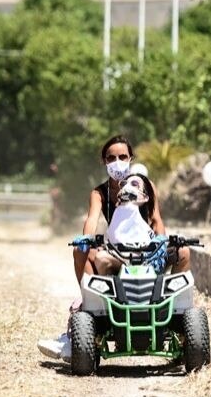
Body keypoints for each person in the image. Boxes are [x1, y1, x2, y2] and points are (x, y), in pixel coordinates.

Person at [37, 135, 190, 362]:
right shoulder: (99, 193)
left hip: (147, 252)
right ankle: (90, 306)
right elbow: (91, 219)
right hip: (119, 252)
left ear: (130, 158)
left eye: (122, 157)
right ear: (104, 161)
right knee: (82, 252)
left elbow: (156, 219)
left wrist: (161, 243)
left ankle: (175, 314)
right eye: (111, 158)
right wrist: (87, 239)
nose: (117, 162)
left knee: (184, 252)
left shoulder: (145, 185)